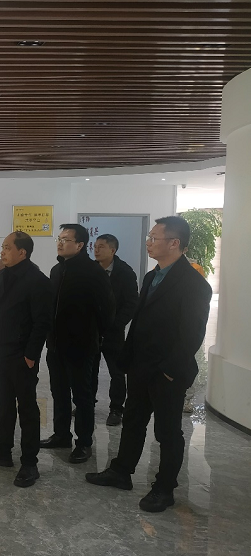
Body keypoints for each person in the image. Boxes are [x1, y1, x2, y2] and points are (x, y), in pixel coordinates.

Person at [86, 216, 212, 512]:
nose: (148, 242)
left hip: (167, 372)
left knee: (167, 432)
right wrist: (128, 357)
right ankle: (121, 471)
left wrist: (169, 371)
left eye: (154, 238)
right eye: (149, 237)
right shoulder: (151, 276)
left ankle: (164, 488)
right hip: (141, 366)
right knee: (133, 421)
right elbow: (140, 321)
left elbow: (192, 335)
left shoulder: (194, 284)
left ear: (174, 243)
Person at [0, 231, 51, 487]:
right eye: (2, 247)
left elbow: (42, 322)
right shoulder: (3, 275)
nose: (2, 251)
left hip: (21, 356)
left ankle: (29, 462)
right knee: (3, 403)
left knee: (27, 408)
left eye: (7, 247)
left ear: (22, 252)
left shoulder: (37, 281)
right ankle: (2, 450)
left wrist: (31, 355)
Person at [40, 224, 114, 464]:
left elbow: (107, 309)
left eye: (66, 239)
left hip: (81, 345)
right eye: (59, 239)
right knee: (59, 392)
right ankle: (61, 435)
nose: (60, 243)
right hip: (56, 345)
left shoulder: (93, 273)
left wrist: (96, 336)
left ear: (80, 245)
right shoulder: (56, 270)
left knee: (82, 396)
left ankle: (84, 442)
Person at [92, 234, 139, 426]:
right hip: (91, 331)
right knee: (89, 370)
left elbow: (131, 302)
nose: (96, 250)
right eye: (95, 246)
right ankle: (87, 403)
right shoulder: (90, 270)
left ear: (112, 250)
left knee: (117, 372)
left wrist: (117, 323)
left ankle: (117, 409)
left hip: (113, 332)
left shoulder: (125, 272)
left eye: (101, 247)